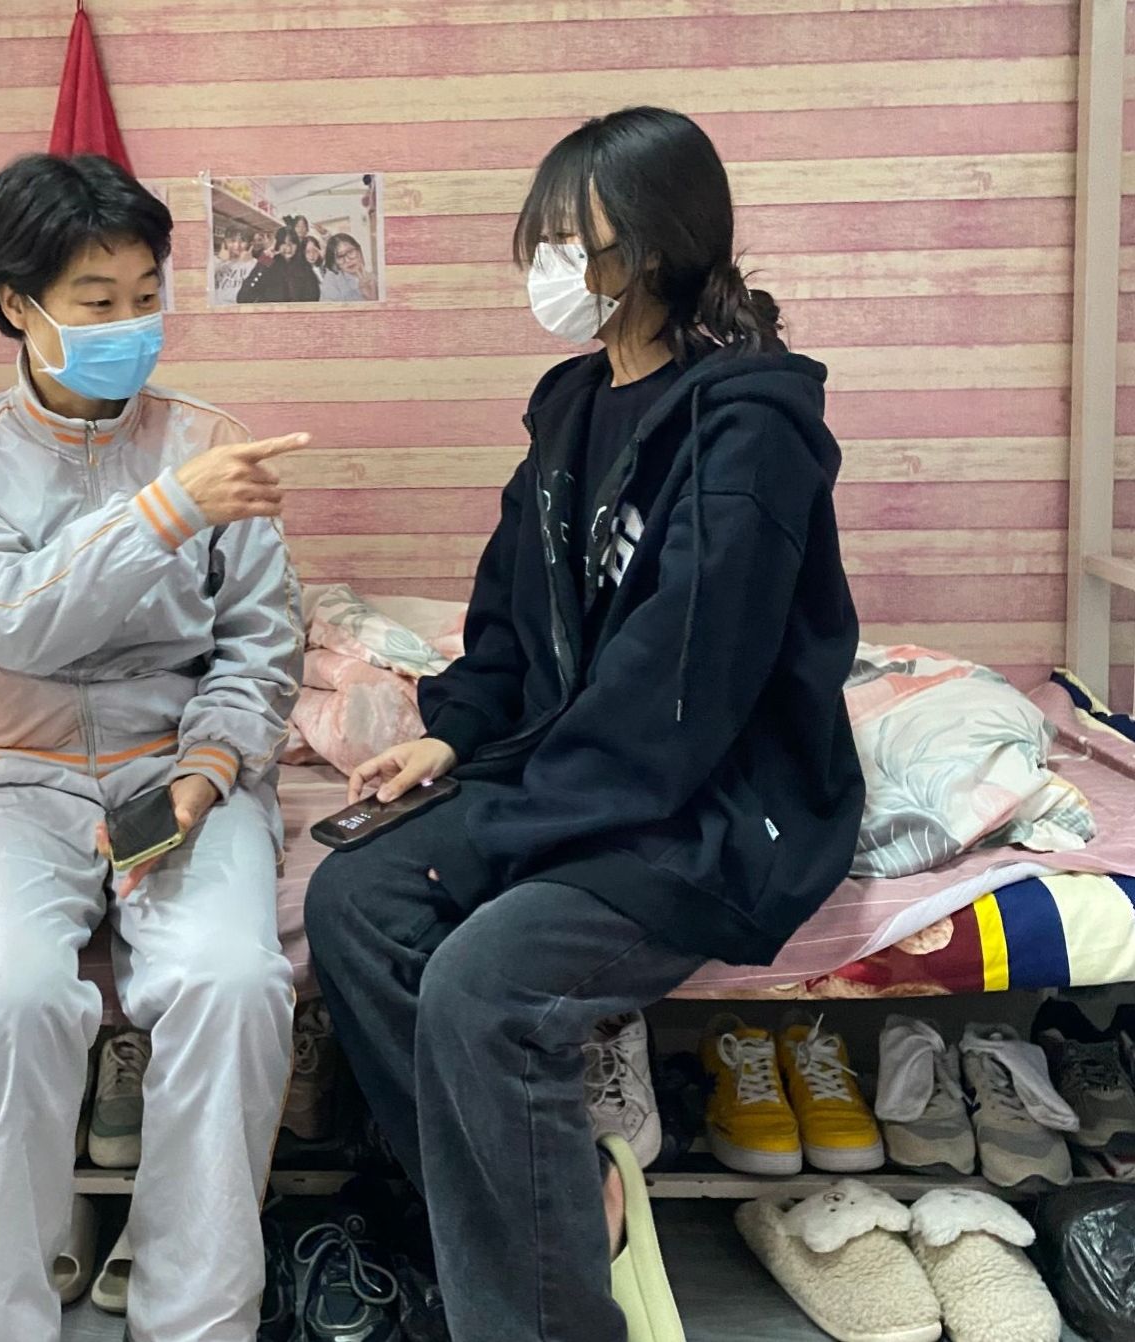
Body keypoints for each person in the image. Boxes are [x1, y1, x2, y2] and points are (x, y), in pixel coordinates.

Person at [303, 106, 864, 1342]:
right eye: (547, 236)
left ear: (657, 248)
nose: (552, 265)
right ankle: (551, 1195)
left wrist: (502, 831)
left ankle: (539, 1300)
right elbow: (511, 608)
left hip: (711, 803)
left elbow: (681, 691)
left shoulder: (747, 432)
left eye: (581, 240)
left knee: (480, 984)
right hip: (576, 773)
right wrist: (455, 733)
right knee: (353, 901)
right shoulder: (568, 404)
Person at [0, 153, 310, 1342]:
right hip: (11, 781)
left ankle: (196, 1315)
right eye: (96, 300)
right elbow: (7, 621)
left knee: (234, 985)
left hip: (181, 772)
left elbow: (261, 645)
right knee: (9, 1002)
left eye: (145, 295)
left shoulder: (209, 440)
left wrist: (208, 771)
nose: (130, 323)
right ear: (16, 304)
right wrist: (165, 510)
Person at [238, 226, 321, 304]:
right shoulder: (267, 264)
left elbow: (313, 298)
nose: (288, 248)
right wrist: (263, 262)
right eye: (284, 243)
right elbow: (243, 297)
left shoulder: (305, 268)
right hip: (271, 313)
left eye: (292, 243)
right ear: (277, 244)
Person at [319, 232, 377, 302]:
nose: (347, 260)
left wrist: (371, 298)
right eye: (340, 256)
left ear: (359, 251)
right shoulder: (331, 279)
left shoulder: (374, 278)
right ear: (335, 261)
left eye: (350, 252)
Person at [212, 223, 254, 305]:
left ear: (249, 245)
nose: (236, 246)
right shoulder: (214, 261)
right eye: (232, 241)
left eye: (242, 241)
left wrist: (251, 261)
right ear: (225, 243)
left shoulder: (255, 264)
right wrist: (219, 259)